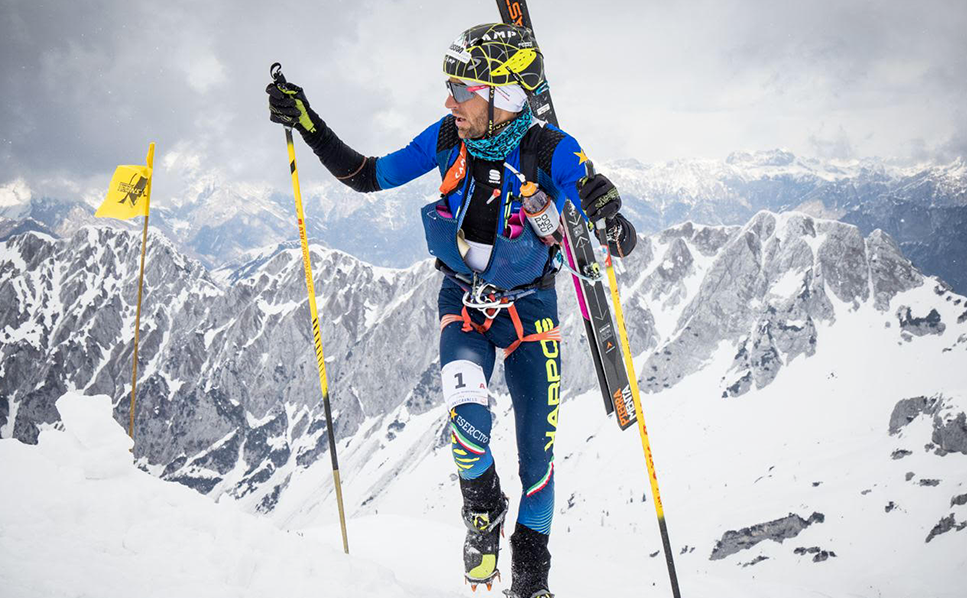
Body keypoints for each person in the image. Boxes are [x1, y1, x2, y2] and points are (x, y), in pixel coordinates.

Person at [267, 22, 637, 598]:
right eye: (450, 87)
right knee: (468, 429)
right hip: (463, 306)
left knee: (537, 461)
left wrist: (607, 214)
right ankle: (483, 510)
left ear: (503, 95)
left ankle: (530, 582)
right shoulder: (446, 138)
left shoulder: (549, 150)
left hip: (530, 312)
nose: (449, 102)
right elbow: (369, 175)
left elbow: (605, 217)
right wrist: (307, 121)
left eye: (461, 89)